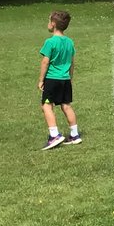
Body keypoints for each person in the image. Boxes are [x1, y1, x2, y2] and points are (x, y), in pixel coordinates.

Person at [39, 10, 81, 150]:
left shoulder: (50, 42)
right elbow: (72, 62)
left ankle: (54, 135)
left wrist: (41, 80)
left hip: (52, 79)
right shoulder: (69, 42)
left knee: (46, 105)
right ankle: (74, 135)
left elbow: (45, 62)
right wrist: (70, 77)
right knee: (66, 105)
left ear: (53, 24)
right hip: (65, 79)